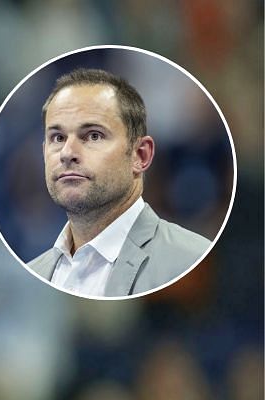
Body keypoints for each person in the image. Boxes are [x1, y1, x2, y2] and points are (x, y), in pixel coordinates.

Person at [27, 67, 211, 298]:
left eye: (93, 135)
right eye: (58, 137)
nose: (67, 152)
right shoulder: (36, 271)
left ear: (140, 155)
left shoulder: (189, 258)